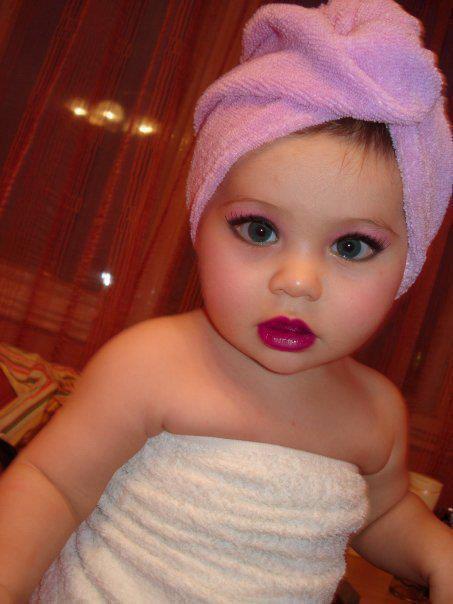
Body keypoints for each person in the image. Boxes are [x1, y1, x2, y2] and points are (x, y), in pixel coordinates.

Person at [0, 1, 452, 602]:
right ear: (200, 222)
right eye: (259, 231)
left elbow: (379, 514)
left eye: (351, 246)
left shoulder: (376, 412)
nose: (298, 281)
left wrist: (437, 553)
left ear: (408, 264)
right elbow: (52, 485)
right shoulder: (150, 365)